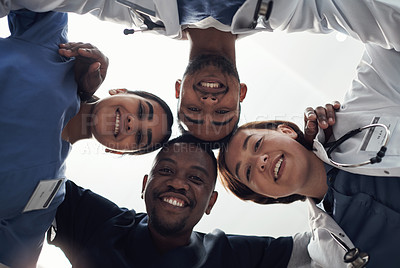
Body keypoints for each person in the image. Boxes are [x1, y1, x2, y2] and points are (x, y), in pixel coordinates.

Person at [3, 0, 400, 143]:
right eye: (222, 112)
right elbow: (381, 19)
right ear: (240, 92)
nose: (209, 103)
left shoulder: (130, 11)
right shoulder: (297, 10)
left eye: (193, 111)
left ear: (179, 89)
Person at [0, 9, 171, 267]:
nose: (130, 123)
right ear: (119, 90)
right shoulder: (57, 53)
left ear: (117, 152)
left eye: (139, 137)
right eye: (140, 111)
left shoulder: (47, 196)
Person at [218, 40, 400, 266]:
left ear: (286, 131)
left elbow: (385, 34)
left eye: (256, 145)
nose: (261, 161)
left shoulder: (363, 106)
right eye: (248, 172)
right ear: (267, 196)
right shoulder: (322, 253)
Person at [46, 136, 356, 268]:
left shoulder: (233, 255)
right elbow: (28, 177)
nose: (178, 183)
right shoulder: (98, 222)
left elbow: (320, 246)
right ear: (145, 186)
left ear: (210, 202)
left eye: (196, 179)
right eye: (166, 171)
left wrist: (320, 154)